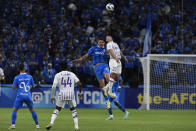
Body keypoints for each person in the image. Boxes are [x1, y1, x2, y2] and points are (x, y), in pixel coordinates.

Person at [46, 61, 82, 131]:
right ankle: (76, 127)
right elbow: (80, 84)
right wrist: (80, 93)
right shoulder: (72, 74)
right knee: (73, 110)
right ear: (67, 67)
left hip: (62, 93)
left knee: (57, 109)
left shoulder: (58, 75)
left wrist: (52, 96)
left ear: (60, 67)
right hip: (71, 94)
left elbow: (53, 86)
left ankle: (51, 122)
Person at [8, 64, 39, 129]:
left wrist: (17, 86)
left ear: (19, 69)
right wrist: (29, 88)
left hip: (20, 96)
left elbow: (13, 87)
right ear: (24, 69)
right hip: (28, 95)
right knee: (32, 110)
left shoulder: (16, 77)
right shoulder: (30, 76)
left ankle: (13, 125)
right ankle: (37, 125)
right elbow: (33, 86)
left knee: (15, 110)